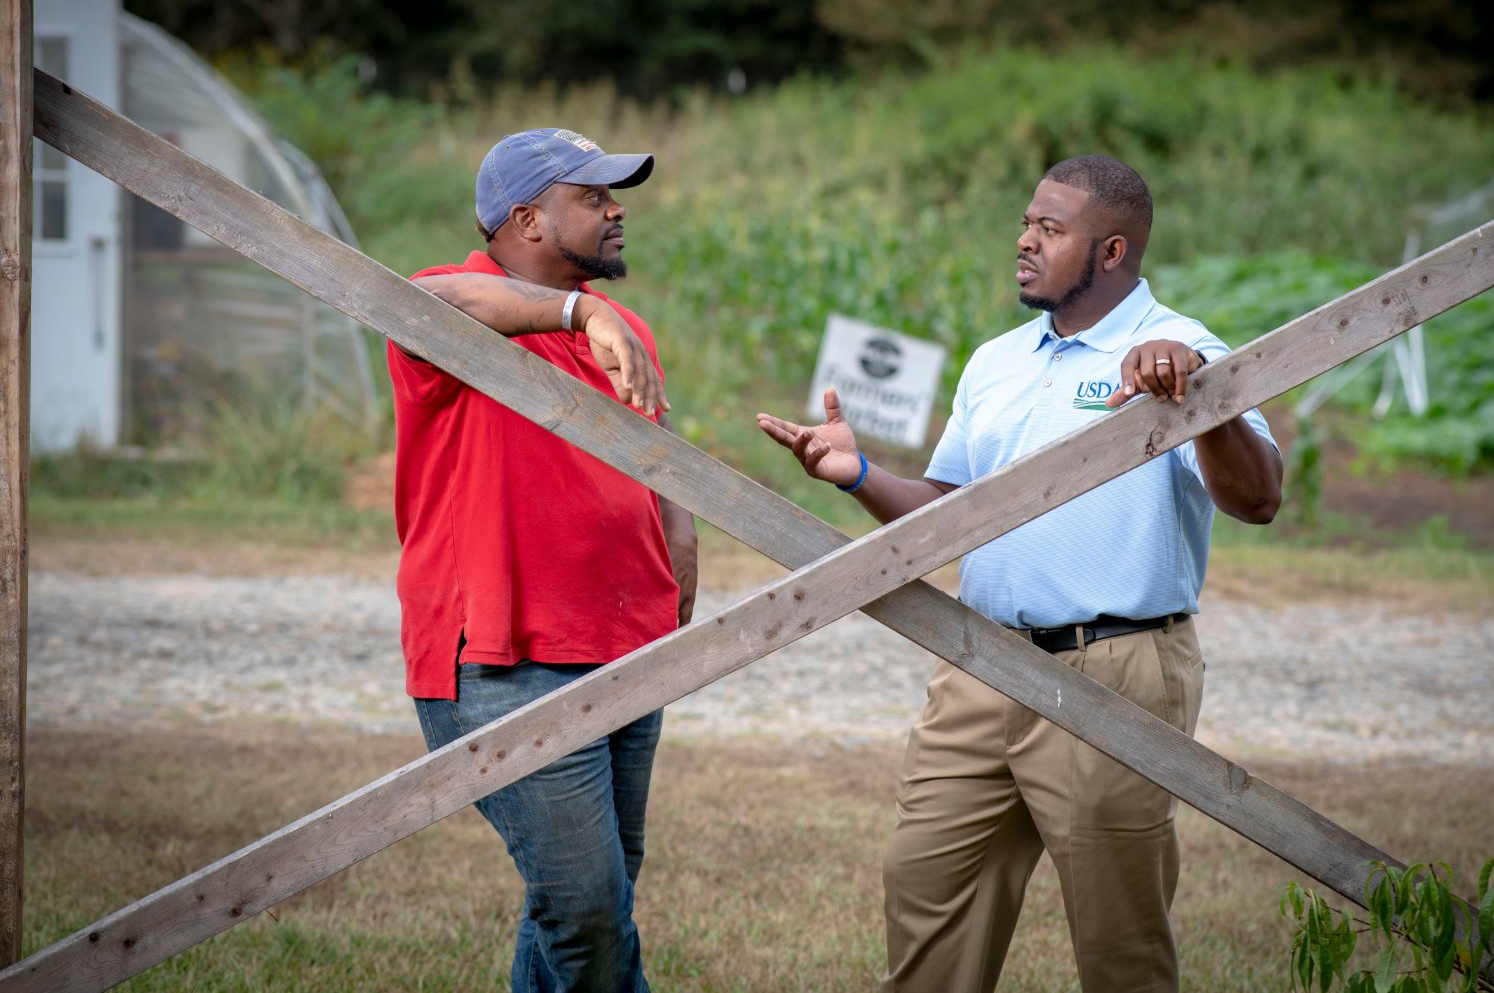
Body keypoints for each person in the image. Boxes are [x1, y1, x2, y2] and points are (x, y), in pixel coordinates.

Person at [757, 154, 1282, 992]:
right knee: (924, 890)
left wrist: (1198, 403)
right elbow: (945, 511)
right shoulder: (997, 360)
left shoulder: (1186, 352)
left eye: (1050, 228)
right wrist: (855, 474)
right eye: (1027, 221)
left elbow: (1258, 499)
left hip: (1112, 671)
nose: (1024, 240)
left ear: (1112, 252)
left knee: (1120, 945)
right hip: (977, 666)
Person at [388, 127, 698, 993]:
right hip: (504, 658)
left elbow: (653, 439)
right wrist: (578, 310)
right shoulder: (446, 302)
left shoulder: (623, 325)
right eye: (592, 197)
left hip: (627, 642)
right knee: (587, 905)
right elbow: (432, 307)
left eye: (612, 195)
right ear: (526, 217)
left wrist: (681, 529)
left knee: (589, 901)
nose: (616, 209)